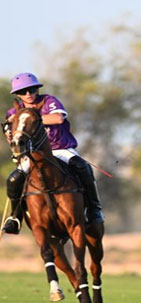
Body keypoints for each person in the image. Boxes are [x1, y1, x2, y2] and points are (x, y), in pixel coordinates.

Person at [2, 73, 103, 234]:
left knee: (82, 166)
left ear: (37, 89)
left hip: (60, 149)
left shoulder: (49, 101)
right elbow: (13, 137)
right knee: (15, 179)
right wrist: (9, 134)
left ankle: (93, 208)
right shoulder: (13, 112)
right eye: (23, 92)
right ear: (17, 95)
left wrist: (28, 118)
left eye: (32, 89)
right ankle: (15, 217)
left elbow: (58, 118)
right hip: (33, 154)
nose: (28, 94)